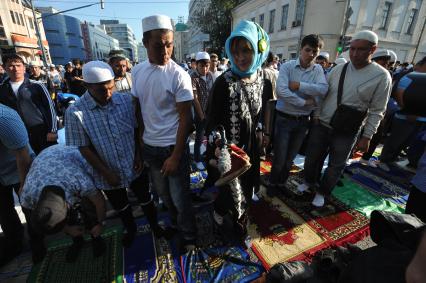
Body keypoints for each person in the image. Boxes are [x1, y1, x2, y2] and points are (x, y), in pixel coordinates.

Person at [65, 61, 166, 247]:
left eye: (111, 87)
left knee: (146, 198)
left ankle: (155, 226)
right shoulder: (75, 112)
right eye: (102, 91)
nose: (109, 94)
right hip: (107, 171)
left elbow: (136, 130)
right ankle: (131, 229)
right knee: (121, 205)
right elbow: (84, 148)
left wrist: (138, 155)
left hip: (133, 163)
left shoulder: (125, 101)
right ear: (87, 86)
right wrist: (106, 173)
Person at [301, 30, 392, 207]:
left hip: (347, 130)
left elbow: (377, 110)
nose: (355, 53)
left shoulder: (382, 76)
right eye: (352, 49)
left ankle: (323, 192)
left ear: (373, 49)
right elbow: (322, 93)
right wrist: (317, 115)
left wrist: (367, 136)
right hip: (323, 124)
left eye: (361, 49)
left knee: (336, 165)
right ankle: (309, 182)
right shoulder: (338, 69)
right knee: (312, 158)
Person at [132, 14, 196, 252]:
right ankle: (176, 226)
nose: (166, 50)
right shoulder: (137, 72)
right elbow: (138, 110)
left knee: (181, 198)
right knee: (164, 196)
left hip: (172, 148)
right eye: (159, 45)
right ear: (145, 42)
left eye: (169, 44)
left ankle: (189, 236)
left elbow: (186, 118)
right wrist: (140, 145)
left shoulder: (179, 75)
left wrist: (176, 156)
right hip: (151, 149)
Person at [205, 20, 273, 243]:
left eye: (246, 50)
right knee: (235, 191)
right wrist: (218, 148)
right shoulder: (224, 82)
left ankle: (220, 211)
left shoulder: (263, 76)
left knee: (247, 184)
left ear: (259, 48)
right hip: (229, 150)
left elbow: (265, 108)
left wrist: (264, 130)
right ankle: (238, 229)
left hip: (251, 147)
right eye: (235, 52)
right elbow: (212, 120)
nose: (240, 57)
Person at [20, 145, 106, 263]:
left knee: (88, 207)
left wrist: (100, 223)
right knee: (59, 219)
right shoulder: (28, 194)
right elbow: (50, 219)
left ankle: (96, 236)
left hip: (70, 157)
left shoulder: (79, 181)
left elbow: (99, 202)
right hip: (46, 161)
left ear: (67, 204)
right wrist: (68, 228)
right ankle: (77, 240)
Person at [268, 34, 328, 195]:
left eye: (314, 51)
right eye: (308, 50)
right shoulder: (287, 67)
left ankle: (281, 183)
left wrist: (299, 85)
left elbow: (322, 90)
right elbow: (281, 91)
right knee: (280, 158)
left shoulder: (318, 69)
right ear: (300, 49)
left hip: (302, 121)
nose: (311, 54)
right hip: (284, 119)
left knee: (290, 158)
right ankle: (273, 183)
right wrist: (305, 102)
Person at [0, 54, 57, 155]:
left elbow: (50, 108)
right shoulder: (2, 89)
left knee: (50, 158)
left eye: (18, 65)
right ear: (5, 68)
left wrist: (52, 130)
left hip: (41, 130)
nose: (15, 69)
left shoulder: (36, 85)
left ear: (24, 67)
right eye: (11, 66)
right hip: (17, 133)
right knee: (28, 163)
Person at [378, 57, 426, 171]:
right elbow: (400, 93)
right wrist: (408, 110)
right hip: (405, 116)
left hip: (421, 119)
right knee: (396, 139)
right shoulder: (410, 76)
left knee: (407, 141)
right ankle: (384, 160)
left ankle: (392, 159)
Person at [0, 104, 33, 267]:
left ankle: (37, 241)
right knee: (3, 211)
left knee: (28, 203)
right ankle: (15, 243)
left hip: (18, 167)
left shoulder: (3, 118)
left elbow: (23, 155)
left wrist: (23, 183)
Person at [191, 51, 214, 170]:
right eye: (202, 66)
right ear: (197, 65)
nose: (205, 68)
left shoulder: (210, 75)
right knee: (199, 138)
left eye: (207, 65)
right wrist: (202, 116)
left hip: (210, 112)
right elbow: (195, 99)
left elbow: (213, 93)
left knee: (211, 137)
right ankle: (197, 159)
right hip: (199, 114)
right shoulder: (193, 77)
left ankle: (208, 156)